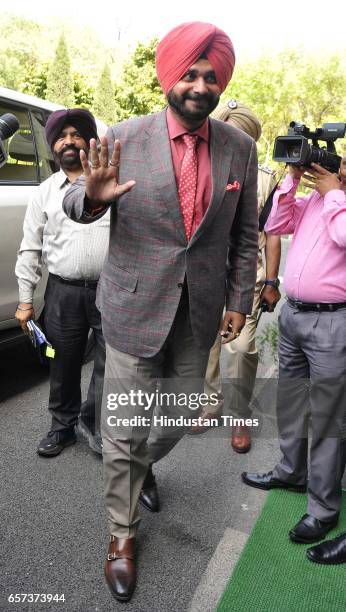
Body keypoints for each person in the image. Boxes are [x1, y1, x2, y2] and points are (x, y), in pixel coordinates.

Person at [64, 21, 259, 602]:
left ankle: (138, 467)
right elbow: (78, 196)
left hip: (198, 316)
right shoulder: (125, 136)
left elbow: (245, 235)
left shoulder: (239, 148)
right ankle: (121, 534)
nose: (200, 85)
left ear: (220, 83)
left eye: (211, 76)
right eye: (190, 73)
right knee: (122, 427)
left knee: (175, 421)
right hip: (131, 310)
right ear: (169, 76)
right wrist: (91, 200)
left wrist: (239, 300)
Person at [242, 156, 346, 545]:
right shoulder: (320, 198)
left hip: (334, 322)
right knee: (290, 402)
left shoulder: (334, 199)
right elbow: (275, 224)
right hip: (294, 316)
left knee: (325, 418)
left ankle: (322, 508)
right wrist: (293, 178)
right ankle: (290, 471)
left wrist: (335, 194)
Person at [15, 108, 109, 457]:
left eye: (76, 134)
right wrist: (25, 301)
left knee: (111, 362)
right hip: (63, 292)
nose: (68, 141)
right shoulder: (44, 192)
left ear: (89, 141)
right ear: (52, 145)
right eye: (61, 136)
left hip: (110, 290)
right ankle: (62, 427)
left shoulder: (110, 183)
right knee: (63, 360)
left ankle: (94, 421)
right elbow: (30, 248)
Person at [190, 100, 281, 452]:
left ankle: (240, 414)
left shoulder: (266, 180)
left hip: (247, 279)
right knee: (207, 345)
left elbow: (273, 233)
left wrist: (272, 281)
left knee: (241, 347)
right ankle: (211, 403)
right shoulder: (202, 166)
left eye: (241, 134)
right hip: (205, 274)